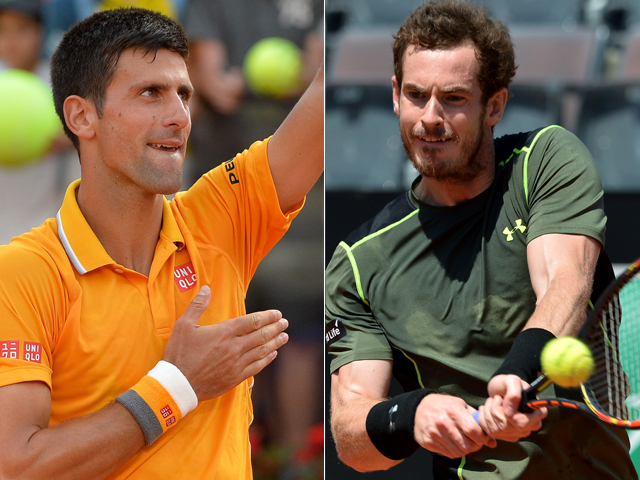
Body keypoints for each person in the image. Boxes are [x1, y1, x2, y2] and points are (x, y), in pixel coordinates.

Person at [0, 7, 323, 480]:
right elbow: (18, 465)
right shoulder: (23, 270)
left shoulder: (220, 215)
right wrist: (178, 385)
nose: (179, 117)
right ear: (81, 116)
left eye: (184, 94)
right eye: (151, 93)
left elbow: (322, 97)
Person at [325, 1, 636, 479]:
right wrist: (414, 415)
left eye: (453, 99)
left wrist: (515, 377)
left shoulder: (546, 160)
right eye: (415, 95)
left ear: (494, 105)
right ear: (394, 95)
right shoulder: (358, 264)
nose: (430, 118)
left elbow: (564, 285)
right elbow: (351, 437)